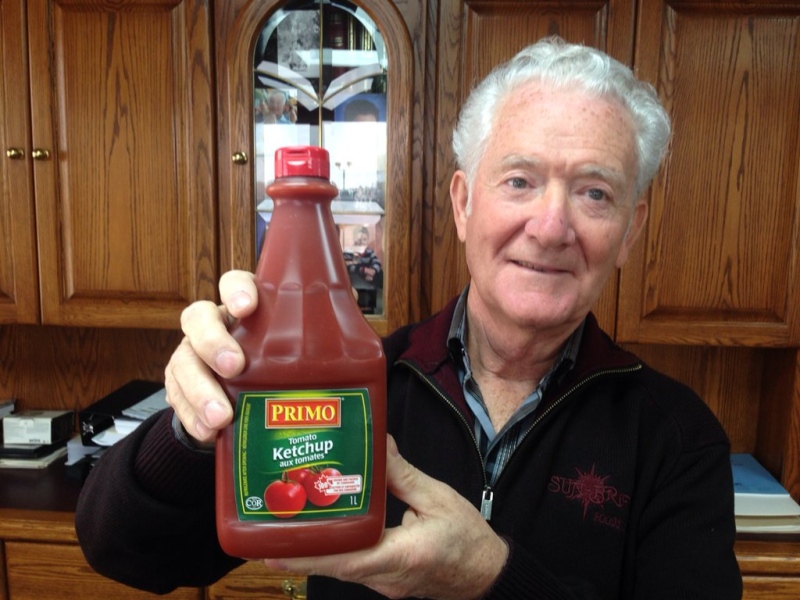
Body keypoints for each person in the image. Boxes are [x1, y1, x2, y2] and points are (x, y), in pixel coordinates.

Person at [75, 37, 743, 599]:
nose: (551, 226)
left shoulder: (677, 439)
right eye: (519, 180)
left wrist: (490, 577)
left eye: (595, 193)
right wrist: (195, 429)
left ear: (629, 231)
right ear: (463, 203)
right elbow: (124, 553)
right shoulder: (359, 386)